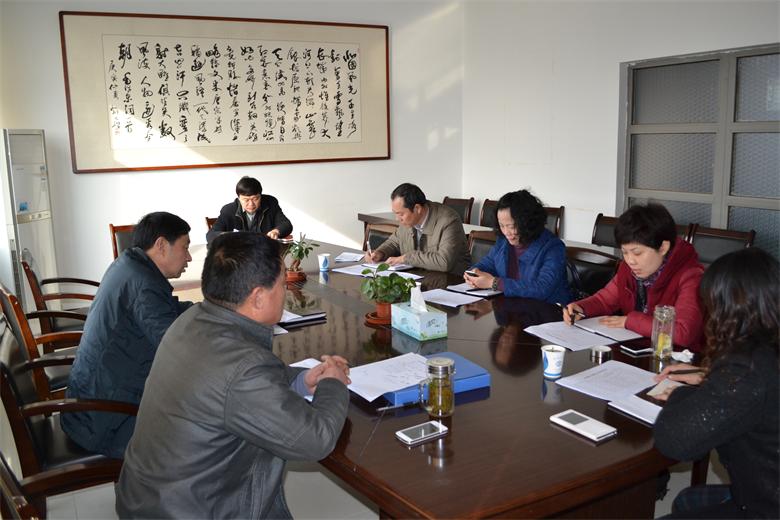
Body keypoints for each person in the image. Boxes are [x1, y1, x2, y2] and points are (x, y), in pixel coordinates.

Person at [116, 232, 351, 518]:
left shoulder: (192, 319)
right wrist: (333, 384)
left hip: (149, 497)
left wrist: (301, 381)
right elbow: (314, 440)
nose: (286, 292)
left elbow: (235, 384)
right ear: (258, 297)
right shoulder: (244, 367)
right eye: (282, 284)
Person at [652, 248, 779, 519]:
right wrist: (711, 376)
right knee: (687, 500)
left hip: (765, 506)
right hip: (761, 489)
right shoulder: (767, 350)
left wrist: (680, 394)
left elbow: (673, 440)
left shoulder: (746, 369)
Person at [62, 212, 193, 458]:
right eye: (185, 247)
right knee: (201, 433)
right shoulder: (144, 283)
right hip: (105, 421)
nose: (189, 257)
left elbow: (167, 310)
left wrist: (208, 310)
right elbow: (175, 350)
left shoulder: (130, 265)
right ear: (161, 245)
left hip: (89, 407)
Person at [563, 203, 704, 351]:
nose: (630, 260)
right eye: (625, 252)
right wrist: (581, 308)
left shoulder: (690, 275)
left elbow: (683, 332)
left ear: (663, 247)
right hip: (638, 350)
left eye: (637, 253)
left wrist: (630, 321)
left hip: (677, 357)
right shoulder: (628, 268)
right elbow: (604, 300)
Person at [464, 190, 571, 304]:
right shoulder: (503, 241)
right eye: (501, 225)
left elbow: (542, 288)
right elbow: (487, 263)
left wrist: (494, 283)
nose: (506, 232)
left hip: (548, 310)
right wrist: (472, 274)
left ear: (528, 223)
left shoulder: (553, 247)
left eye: (511, 226)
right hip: (512, 308)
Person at [365, 183, 470, 274]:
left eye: (400, 214)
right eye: (395, 213)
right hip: (419, 277)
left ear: (417, 208)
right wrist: (380, 252)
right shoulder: (408, 220)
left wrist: (406, 258)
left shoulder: (448, 220)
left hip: (450, 281)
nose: (397, 219)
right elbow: (394, 242)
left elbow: (444, 262)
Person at [206, 176, 292, 244]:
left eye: (255, 199)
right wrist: (228, 235)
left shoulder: (270, 203)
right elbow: (210, 235)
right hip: (239, 255)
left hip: (265, 252)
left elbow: (286, 224)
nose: (251, 204)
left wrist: (276, 231)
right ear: (239, 198)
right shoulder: (228, 210)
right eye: (246, 200)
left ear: (260, 196)